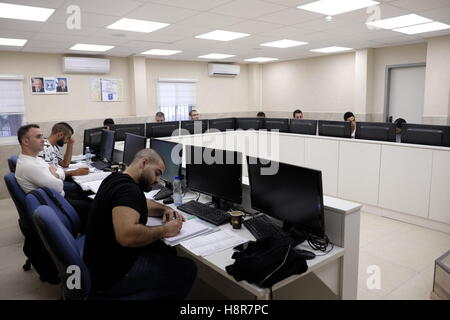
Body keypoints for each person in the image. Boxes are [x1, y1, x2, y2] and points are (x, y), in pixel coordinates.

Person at [83, 149, 197, 299]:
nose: (158, 180)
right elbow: (127, 236)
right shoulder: (129, 190)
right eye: (157, 173)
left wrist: (165, 209)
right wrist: (165, 230)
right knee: (188, 268)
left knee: (165, 251)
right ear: (144, 163)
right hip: (112, 276)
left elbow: (141, 204)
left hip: (97, 266)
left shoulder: (115, 179)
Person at [16, 124, 91, 230]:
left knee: (84, 194)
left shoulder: (35, 158)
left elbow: (57, 169)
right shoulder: (29, 165)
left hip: (54, 198)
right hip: (55, 204)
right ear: (25, 141)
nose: (43, 140)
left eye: (42, 136)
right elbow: (58, 186)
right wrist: (55, 174)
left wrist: (54, 174)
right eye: (38, 137)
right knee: (92, 205)